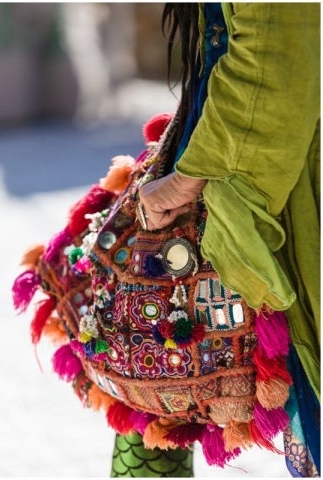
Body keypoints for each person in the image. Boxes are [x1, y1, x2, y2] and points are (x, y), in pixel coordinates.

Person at [128, 3, 319, 477]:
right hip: (221, 160)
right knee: (152, 370)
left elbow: (276, 55)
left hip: (264, 174)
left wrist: (185, 180)